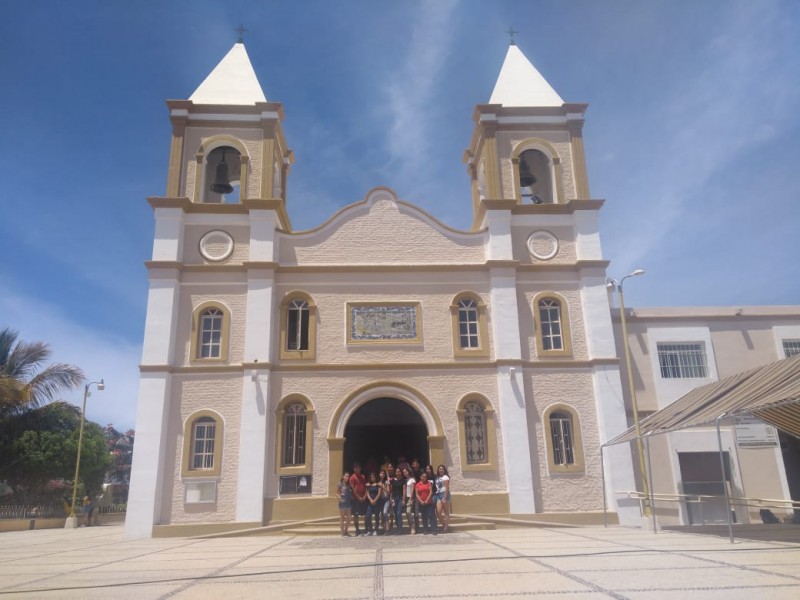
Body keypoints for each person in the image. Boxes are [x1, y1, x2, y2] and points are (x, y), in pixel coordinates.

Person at [349, 463, 367, 537]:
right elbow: (353, 489)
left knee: (365, 514)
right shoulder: (352, 477)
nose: (357, 469)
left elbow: (365, 486)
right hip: (356, 499)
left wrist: (365, 496)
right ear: (354, 469)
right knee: (356, 514)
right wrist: (358, 497)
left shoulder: (363, 476)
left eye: (359, 468)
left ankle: (366, 528)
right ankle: (357, 530)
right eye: (356, 468)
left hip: (363, 498)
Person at [434, 464, 451, 533]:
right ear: (438, 470)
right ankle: (444, 525)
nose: (441, 470)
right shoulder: (437, 477)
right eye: (440, 469)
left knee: (446, 512)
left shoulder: (445, 477)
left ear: (444, 470)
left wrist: (445, 497)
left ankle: (446, 527)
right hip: (438, 495)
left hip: (444, 494)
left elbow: (447, 488)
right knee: (438, 512)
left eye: (442, 469)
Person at [337, 472, 352, 536]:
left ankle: (346, 531)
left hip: (348, 503)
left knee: (349, 518)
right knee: (342, 518)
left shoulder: (349, 485)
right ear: (343, 476)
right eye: (346, 476)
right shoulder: (340, 484)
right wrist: (339, 499)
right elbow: (337, 493)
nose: (347, 477)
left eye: (348, 476)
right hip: (342, 503)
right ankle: (342, 532)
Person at [391, 466, 405, 534]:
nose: (397, 473)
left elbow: (404, 490)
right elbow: (391, 490)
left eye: (399, 471)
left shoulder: (403, 480)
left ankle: (400, 529)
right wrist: (391, 499)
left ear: (400, 472)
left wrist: (404, 500)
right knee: (396, 514)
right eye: (396, 471)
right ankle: (398, 528)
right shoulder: (393, 480)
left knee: (399, 513)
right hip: (394, 498)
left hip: (400, 498)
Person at [403, 467, 417, 534]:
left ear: (408, 471)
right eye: (404, 472)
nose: (405, 473)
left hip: (410, 497)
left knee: (408, 512)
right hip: (406, 498)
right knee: (407, 513)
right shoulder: (405, 480)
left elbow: (413, 489)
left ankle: (413, 527)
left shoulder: (412, 479)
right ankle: (410, 527)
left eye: (406, 472)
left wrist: (411, 498)